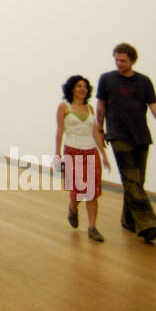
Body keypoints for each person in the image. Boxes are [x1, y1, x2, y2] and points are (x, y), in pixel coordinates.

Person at [96, 43, 156, 242]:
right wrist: (100, 129)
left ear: (132, 61)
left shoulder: (144, 82)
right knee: (131, 180)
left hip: (141, 136)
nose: (119, 63)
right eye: (116, 59)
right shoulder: (107, 79)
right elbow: (101, 105)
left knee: (137, 182)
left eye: (123, 60)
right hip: (118, 136)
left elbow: (153, 104)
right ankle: (148, 224)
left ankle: (128, 219)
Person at [55, 75, 110, 241]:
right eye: (79, 86)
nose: (82, 89)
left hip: (91, 153)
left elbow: (95, 133)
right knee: (77, 191)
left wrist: (104, 155)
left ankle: (92, 228)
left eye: (85, 86)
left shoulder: (91, 109)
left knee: (92, 193)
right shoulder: (64, 107)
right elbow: (60, 131)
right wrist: (57, 153)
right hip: (72, 151)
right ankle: (73, 208)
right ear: (72, 88)